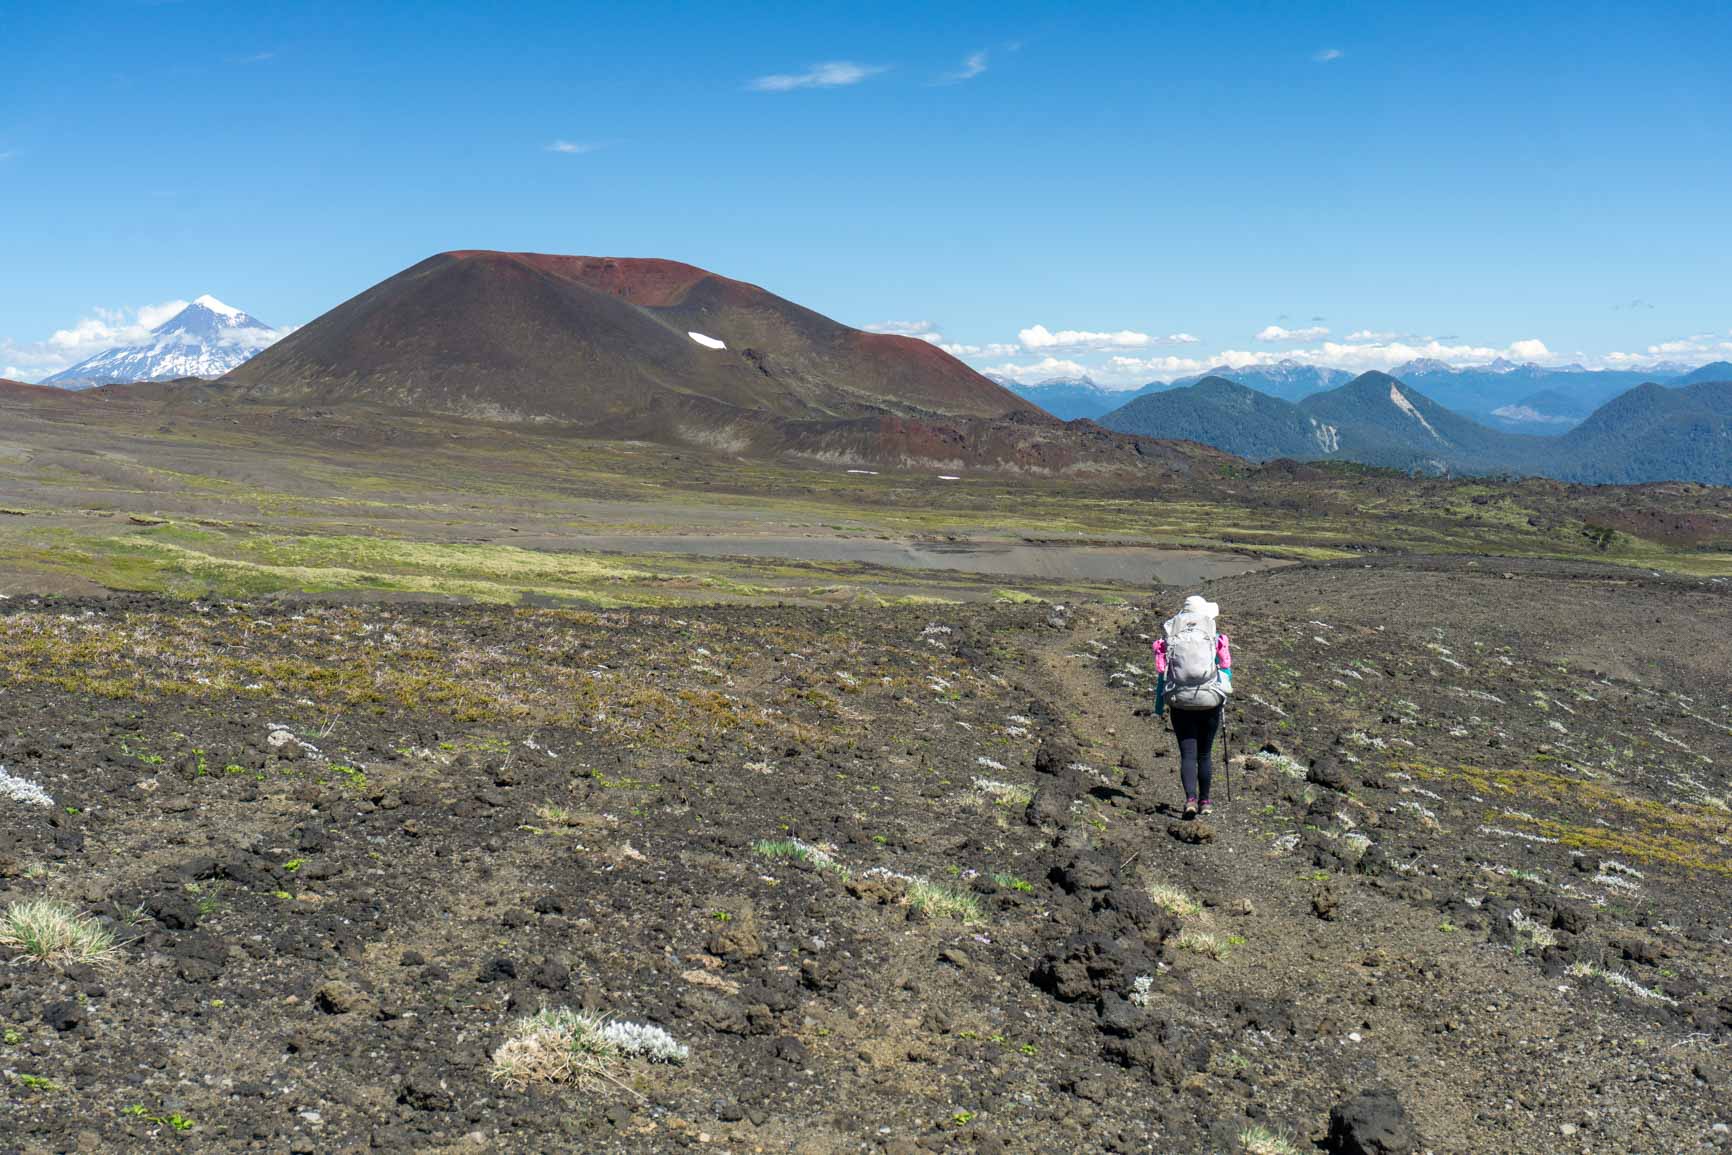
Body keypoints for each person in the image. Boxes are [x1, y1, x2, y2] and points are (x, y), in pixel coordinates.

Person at [1152, 594, 1232, 819]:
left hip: (1180, 702)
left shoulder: (1171, 637)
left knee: (1188, 754)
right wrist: (1223, 691)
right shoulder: (1216, 637)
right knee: (1205, 754)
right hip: (1209, 701)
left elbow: (1161, 673)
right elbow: (1226, 668)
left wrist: (1159, 706)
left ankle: (1190, 800)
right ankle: (1205, 802)